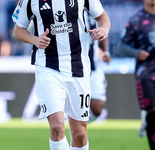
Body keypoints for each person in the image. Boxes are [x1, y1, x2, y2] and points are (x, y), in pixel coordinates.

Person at [12, 0, 110, 150]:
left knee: (80, 134)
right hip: (48, 67)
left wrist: (104, 29)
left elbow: (102, 17)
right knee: (57, 127)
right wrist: (35, 40)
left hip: (79, 68)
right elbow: (19, 29)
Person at [115, 0, 155, 149]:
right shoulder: (136, 20)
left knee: (152, 118)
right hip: (146, 75)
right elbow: (120, 47)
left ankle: (146, 121)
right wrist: (135, 53)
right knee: (153, 116)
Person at [87, 13, 111, 123]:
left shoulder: (92, 7)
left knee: (97, 107)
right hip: (70, 64)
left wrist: (105, 52)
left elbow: (102, 30)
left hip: (93, 64)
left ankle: (77, 125)